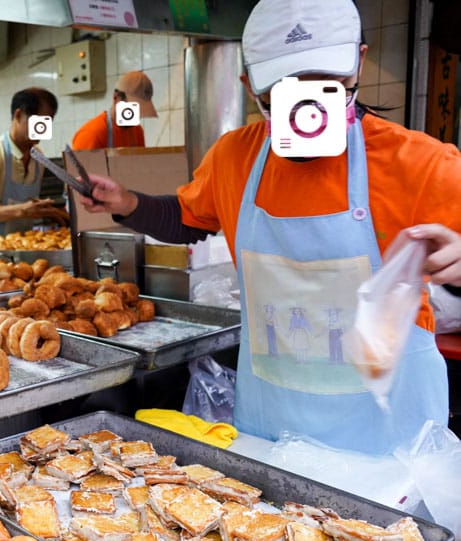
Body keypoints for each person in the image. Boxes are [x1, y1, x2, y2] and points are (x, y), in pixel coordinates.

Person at [79, 0, 461, 455]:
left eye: (328, 89)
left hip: (389, 439)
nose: (307, 114)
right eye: (282, 97)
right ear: (249, 87)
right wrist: (127, 204)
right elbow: (186, 218)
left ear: (358, 64)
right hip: (272, 430)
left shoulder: (422, 165)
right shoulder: (235, 157)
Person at [0, 87, 69, 252]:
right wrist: (23, 210)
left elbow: (28, 202)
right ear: (18, 115)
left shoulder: (38, 158)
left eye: (48, 123)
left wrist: (47, 210)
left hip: (21, 250)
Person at [71, 71, 158, 150]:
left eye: (141, 110)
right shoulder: (92, 134)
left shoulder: (137, 131)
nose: (137, 115)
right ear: (116, 97)